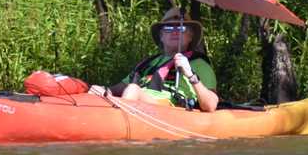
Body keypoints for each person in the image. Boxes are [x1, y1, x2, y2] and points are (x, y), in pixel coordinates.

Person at [89, 7, 220, 112]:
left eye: (181, 28)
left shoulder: (199, 64)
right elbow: (117, 88)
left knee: (133, 89)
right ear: (161, 36)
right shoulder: (148, 63)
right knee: (97, 90)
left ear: (190, 37)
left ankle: (118, 127)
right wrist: (102, 90)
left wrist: (190, 74)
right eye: (169, 28)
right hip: (138, 100)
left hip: (170, 108)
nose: (175, 32)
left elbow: (211, 105)